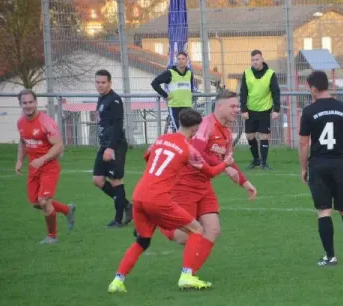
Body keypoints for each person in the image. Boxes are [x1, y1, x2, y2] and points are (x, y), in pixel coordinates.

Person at [107, 109, 233, 293]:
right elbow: (210, 172)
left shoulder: (161, 138)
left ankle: (117, 281)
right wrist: (226, 164)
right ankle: (187, 276)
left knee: (143, 241)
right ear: (194, 130)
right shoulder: (189, 150)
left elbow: (147, 156)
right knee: (197, 229)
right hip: (158, 198)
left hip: (139, 195)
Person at [158, 90, 258, 287]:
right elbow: (196, 152)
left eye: (237, 106)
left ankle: (189, 275)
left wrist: (245, 183)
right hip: (185, 183)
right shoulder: (205, 124)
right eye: (233, 106)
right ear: (219, 106)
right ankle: (160, 223)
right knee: (184, 235)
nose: (236, 110)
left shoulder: (227, 133)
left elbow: (228, 161)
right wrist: (221, 166)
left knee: (212, 229)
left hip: (204, 185)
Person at [299, 70, 343, 266]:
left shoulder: (309, 111)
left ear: (312, 88)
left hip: (318, 165)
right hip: (339, 164)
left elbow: (304, 144)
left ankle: (330, 257)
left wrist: (303, 168)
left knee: (324, 211)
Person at [15, 89, 76, 244]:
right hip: (33, 168)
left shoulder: (46, 122)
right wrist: (19, 161)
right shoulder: (21, 122)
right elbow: (23, 142)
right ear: (20, 104)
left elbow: (59, 146)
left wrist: (43, 159)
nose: (28, 105)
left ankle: (52, 236)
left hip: (49, 166)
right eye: (24, 103)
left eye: (30, 102)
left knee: (43, 201)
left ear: (36, 103)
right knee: (36, 203)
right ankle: (67, 210)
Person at [93, 69, 132, 228]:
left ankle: (117, 220)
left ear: (109, 83)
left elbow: (117, 126)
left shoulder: (114, 100)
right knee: (98, 180)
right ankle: (127, 205)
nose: (100, 85)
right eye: (98, 82)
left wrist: (110, 148)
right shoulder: (101, 98)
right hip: (104, 145)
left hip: (115, 146)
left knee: (116, 181)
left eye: (103, 82)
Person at [240, 49, 281, 170]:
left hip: (264, 110)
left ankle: (264, 162)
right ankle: (256, 160)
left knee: (264, 136)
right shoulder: (246, 73)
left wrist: (276, 109)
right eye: (253, 60)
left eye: (257, 59)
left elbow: (276, 92)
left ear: (262, 59)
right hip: (250, 110)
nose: (255, 62)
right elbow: (243, 92)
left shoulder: (270, 73)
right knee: (249, 136)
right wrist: (243, 108)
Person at [151, 51, 196, 132]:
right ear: (176, 60)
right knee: (179, 131)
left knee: (189, 131)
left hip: (187, 106)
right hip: (175, 107)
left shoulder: (189, 73)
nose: (181, 61)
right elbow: (154, 83)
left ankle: (187, 145)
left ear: (187, 61)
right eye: (178, 59)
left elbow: (190, 89)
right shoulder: (170, 73)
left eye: (183, 59)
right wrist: (165, 95)